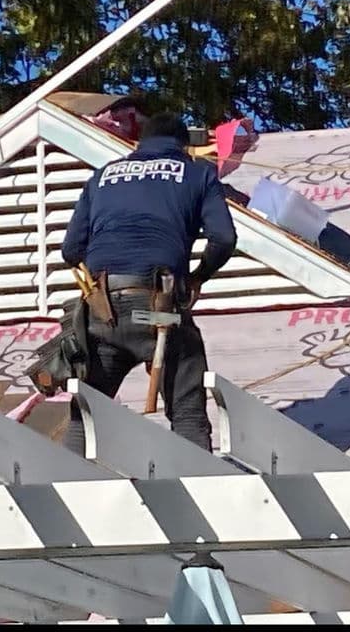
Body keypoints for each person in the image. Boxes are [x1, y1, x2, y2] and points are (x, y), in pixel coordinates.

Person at [60, 111, 238, 451]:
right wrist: (198, 277)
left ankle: (61, 490)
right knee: (187, 412)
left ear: (139, 143)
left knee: (86, 416)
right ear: (184, 146)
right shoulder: (197, 173)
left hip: (103, 311)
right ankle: (197, 486)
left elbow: (70, 250)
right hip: (160, 308)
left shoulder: (102, 177)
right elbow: (224, 239)